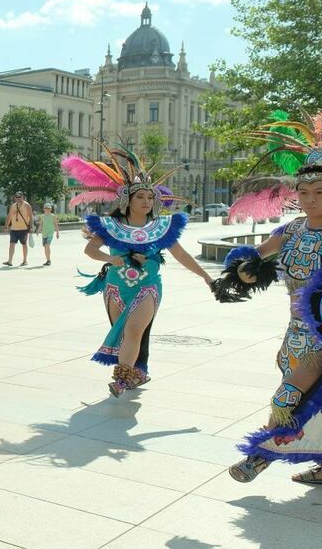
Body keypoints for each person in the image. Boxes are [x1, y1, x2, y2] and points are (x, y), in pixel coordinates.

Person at [217, 92, 322, 487]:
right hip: (295, 330)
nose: (310, 198)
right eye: (304, 191)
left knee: (288, 395)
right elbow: (253, 261)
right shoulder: (291, 231)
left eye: (320, 191)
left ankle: (260, 454)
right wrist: (244, 274)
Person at [67, 152, 215, 397]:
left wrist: (206, 277)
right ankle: (137, 371)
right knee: (126, 333)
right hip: (115, 286)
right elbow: (90, 249)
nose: (146, 201)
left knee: (135, 330)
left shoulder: (161, 228)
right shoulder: (111, 226)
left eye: (149, 196)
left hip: (148, 286)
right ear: (128, 200)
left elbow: (182, 255)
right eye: (141, 196)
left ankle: (122, 380)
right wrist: (108, 258)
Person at [3, 191, 33, 267]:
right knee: (12, 244)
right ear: (14, 198)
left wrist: (31, 226)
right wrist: (6, 226)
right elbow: (9, 216)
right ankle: (10, 261)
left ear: (23, 197)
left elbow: (30, 216)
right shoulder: (13, 206)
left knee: (24, 244)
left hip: (23, 228)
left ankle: (25, 260)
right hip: (14, 228)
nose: (18, 198)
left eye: (20, 197)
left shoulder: (27, 205)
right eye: (16, 197)